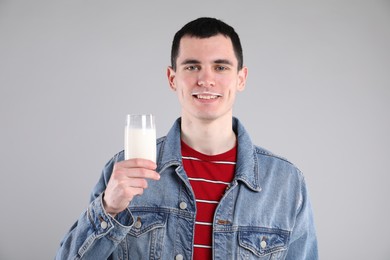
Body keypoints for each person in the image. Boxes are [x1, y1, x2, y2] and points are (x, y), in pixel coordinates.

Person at [56, 17, 318, 259]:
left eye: (220, 67)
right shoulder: (126, 169)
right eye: (192, 66)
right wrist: (108, 208)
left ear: (241, 78)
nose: (206, 79)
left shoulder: (286, 182)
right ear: (172, 78)